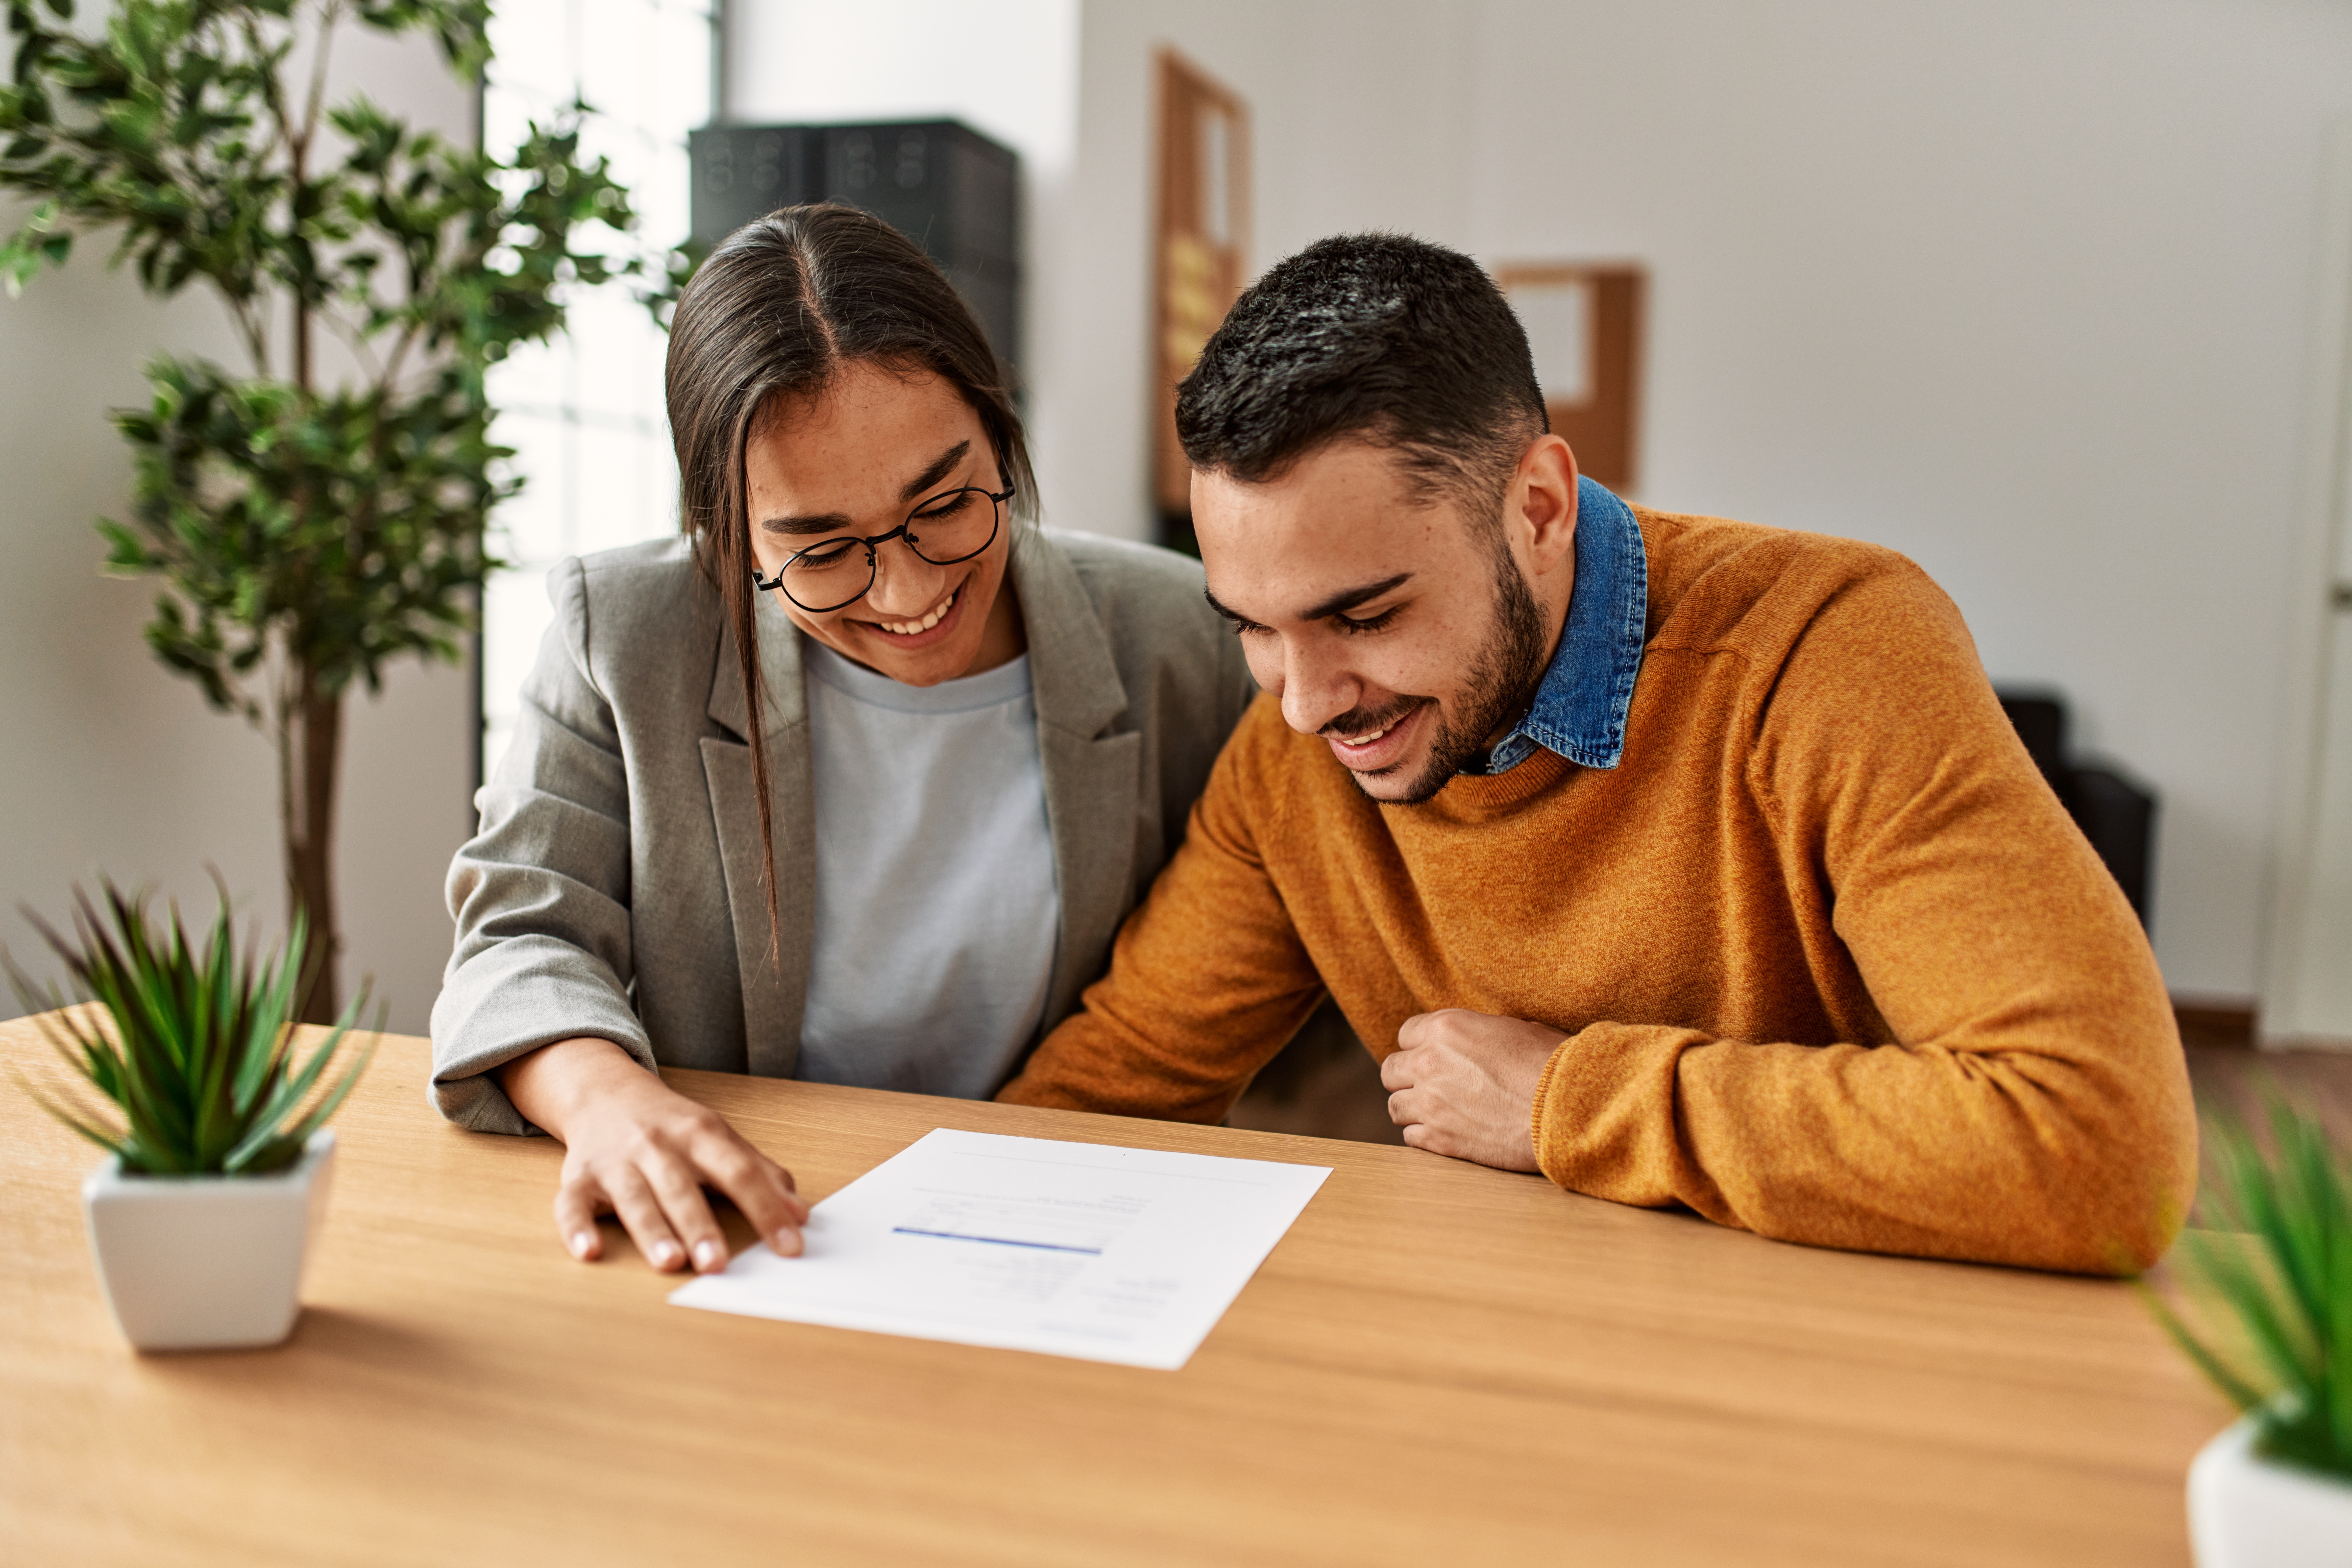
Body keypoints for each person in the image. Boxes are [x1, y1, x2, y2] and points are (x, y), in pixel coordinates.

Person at [1000, 233, 2199, 1275]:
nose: (1306, 705)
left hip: (1852, 1352)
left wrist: (1566, 1102)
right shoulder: (1297, 754)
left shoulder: (1829, 650)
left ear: (1538, 507)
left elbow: (2101, 1145)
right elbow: (1118, 1082)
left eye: (1364, 616)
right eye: (1254, 627)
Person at [430, 205, 1256, 1274]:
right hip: (764, 1232)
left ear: (1001, 432)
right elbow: (516, 940)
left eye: (948, 503)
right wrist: (610, 1102)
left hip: (1077, 1237)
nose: (911, 592)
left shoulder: (1179, 635)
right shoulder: (626, 638)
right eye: (821, 552)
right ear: (721, 531)